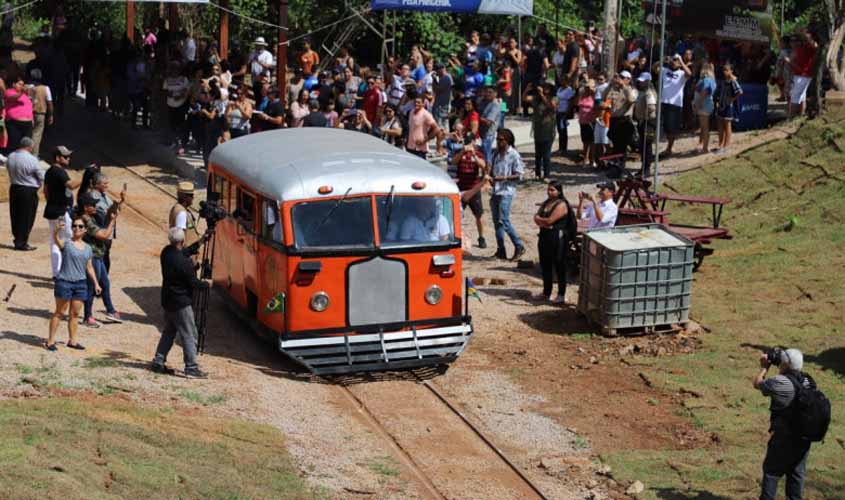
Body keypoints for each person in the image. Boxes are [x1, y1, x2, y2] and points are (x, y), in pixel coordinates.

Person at [753, 348, 814, 500]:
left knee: (771, 472)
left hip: (784, 437)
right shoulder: (808, 381)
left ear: (785, 364)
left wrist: (764, 367)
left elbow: (758, 383)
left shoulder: (780, 382)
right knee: (796, 474)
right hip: (804, 437)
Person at [151, 227, 209, 378]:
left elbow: (185, 252)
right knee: (190, 334)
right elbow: (194, 283)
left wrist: (201, 241)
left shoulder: (166, 252)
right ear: (182, 241)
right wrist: (207, 284)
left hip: (168, 300)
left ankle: (158, 360)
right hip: (181, 304)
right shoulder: (184, 263)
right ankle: (191, 367)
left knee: (169, 332)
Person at [46, 217, 100, 351]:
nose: (77, 228)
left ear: (85, 230)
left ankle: (73, 341)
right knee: (60, 312)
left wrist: (96, 283)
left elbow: (89, 267)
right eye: (75, 226)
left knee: (75, 314)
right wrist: (56, 231)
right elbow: (56, 240)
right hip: (64, 282)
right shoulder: (67, 244)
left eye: (80, 226)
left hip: (80, 284)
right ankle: (50, 341)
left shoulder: (88, 248)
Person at [80, 192, 121, 327]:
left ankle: (110, 310)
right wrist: (113, 222)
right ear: (85, 207)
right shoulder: (85, 220)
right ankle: (87, 316)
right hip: (92, 257)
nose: (95, 207)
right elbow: (103, 235)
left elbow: (108, 215)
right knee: (92, 287)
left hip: (98, 256)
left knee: (105, 283)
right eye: (92, 205)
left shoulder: (92, 216)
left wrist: (115, 204)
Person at [533, 181, 576, 304]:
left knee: (559, 265)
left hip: (557, 237)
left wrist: (541, 220)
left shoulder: (561, 204)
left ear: (559, 191)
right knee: (545, 263)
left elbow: (550, 221)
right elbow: (536, 217)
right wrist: (541, 221)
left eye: (552, 190)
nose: (549, 192)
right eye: (548, 189)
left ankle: (561, 294)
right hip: (545, 235)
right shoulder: (546, 203)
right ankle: (546, 292)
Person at [43, 145, 80, 277]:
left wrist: (52, 202)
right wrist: (85, 177)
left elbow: (45, 191)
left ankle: (56, 273)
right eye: (65, 156)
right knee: (68, 241)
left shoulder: (49, 171)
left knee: (55, 241)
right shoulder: (59, 172)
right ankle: (66, 272)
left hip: (52, 210)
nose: (68, 158)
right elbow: (71, 185)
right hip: (61, 212)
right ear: (58, 158)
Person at [489, 128, 525, 261]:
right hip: (495, 191)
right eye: (497, 139)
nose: (498, 142)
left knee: (504, 220)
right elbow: (492, 171)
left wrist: (503, 178)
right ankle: (501, 250)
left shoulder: (514, 155)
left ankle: (519, 245)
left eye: (501, 140)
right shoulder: (496, 154)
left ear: (507, 140)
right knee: (496, 222)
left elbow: (520, 175)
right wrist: (491, 178)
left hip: (506, 191)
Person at [7, 137, 43, 251]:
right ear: (30, 147)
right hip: (28, 190)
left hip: (14, 188)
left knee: (15, 215)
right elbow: (41, 176)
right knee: (27, 217)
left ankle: (17, 239)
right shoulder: (32, 159)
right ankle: (22, 242)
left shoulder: (11, 156)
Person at [452, 133, 487, 248]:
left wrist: (474, 155)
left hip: (474, 188)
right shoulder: (459, 152)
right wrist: (463, 151)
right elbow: (453, 161)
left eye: (470, 141)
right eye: (466, 141)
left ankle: (481, 237)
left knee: (478, 215)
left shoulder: (478, 153)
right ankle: (455, 235)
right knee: (456, 214)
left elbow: (483, 165)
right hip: (461, 188)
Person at [521, 82, 557, 180]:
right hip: (538, 130)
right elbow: (524, 98)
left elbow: (551, 106)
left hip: (548, 130)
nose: (545, 88)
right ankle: (537, 174)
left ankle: (546, 175)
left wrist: (542, 95)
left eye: (547, 87)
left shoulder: (554, 98)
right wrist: (527, 90)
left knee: (546, 155)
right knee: (538, 154)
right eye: (544, 86)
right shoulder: (536, 99)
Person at [659, 54, 692, 157]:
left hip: (675, 104)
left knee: (672, 128)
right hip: (664, 102)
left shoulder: (681, 73)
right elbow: (655, 68)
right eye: (673, 60)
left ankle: (669, 148)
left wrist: (681, 61)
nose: (674, 62)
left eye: (675, 60)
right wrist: (663, 60)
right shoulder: (665, 70)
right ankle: (668, 148)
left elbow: (689, 74)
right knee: (666, 127)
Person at [604, 71, 636, 157]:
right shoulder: (614, 89)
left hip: (624, 120)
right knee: (614, 143)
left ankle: (620, 162)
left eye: (622, 78)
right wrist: (610, 85)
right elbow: (603, 97)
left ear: (628, 80)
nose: (619, 79)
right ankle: (616, 162)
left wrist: (624, 86)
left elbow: (631, 100)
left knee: (622, 145)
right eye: (619, 77)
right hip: (614, 119)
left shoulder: (631, 90)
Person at [787, 31, 818, 118]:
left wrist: (789, 61)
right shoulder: (800, 48)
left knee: (795, 96)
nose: (793, 43)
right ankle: (800, 115)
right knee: (802, 96)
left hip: (802, 75)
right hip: (801, 74)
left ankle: (791, 117)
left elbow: (815, 46)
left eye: (795, 40)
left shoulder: (810, 47)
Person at [633, 73, 657, 177]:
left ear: (648, 82)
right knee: (643, 145)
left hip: (648, 122)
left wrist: (644, 117)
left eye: (642, 81)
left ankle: (646, 169)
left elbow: (651, 107)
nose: (640, 83)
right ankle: (643, 167)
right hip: (642, 121)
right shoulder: (642, 92)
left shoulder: (649, 93)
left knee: (646, 146)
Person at [715, 63, 742, 154]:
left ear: (731, 71)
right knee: (720, 125)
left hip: (728, 106)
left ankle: (726, 146)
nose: (725, 72)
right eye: (724, 70)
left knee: (727, 125)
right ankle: (720, 145)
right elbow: (719, 92)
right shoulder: (723, 81)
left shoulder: (733, 81)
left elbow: (740, 91)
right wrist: (717, 101)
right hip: (721, 105)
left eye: (727, 70)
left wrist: (732, 99)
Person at [693, 63, 717, 154]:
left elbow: (705, 91)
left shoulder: (706, 79)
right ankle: (703, 146)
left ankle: (705, 148)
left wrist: (698, 103)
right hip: (706, 104)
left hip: (704, 105)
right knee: (704, 127)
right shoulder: (712, 80)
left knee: (705, 127)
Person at [29, 69, 53, 157]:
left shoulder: (27, 88)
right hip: (40, 113)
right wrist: (50, 115)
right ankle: (34, 155)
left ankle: (27, 152)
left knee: (29, 133)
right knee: (37, 134)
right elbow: (50, 103)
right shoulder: (45, 88)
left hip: (28, 114)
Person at [478, 86, 501, 164]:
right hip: (481, 134)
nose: (487, 94)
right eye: (486, 92)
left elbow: (488, 122)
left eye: (490, 92)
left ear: (495, 94)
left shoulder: (495, 105)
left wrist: (477, 118)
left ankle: (488, 169)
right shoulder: (485, 102)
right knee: (482, 155)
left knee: (487, 156)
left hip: (488, 134)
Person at [555, 76, 576, 157]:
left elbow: (571, 102)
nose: (561, 81)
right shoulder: (560, 89)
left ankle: (563, 149)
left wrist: (567, 112)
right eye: (561, 80)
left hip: (564, 112)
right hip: (558, 111)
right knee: (559, 130)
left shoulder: (569, 90)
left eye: (563, 80)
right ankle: (560, 147)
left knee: (563, 130)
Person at [432, 63, 453, 131]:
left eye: (437, 70)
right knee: (440, 126)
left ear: (442, 69)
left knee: (441, 127)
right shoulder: (443, 78)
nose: (436, 72)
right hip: (440, 106)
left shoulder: (446, 78)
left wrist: (434, 79)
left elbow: (437, 90)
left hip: (442, 107)